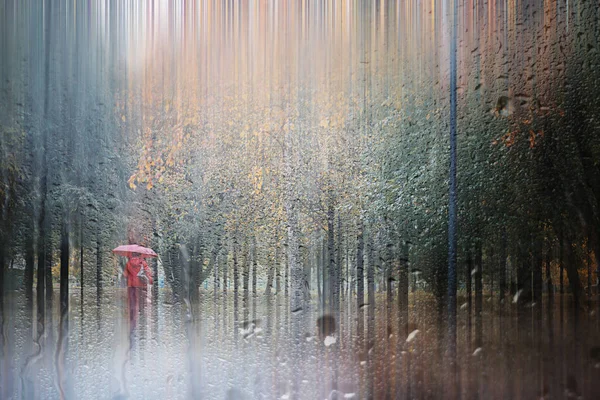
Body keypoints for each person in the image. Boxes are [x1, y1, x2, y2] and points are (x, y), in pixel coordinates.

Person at [124, 252, 153, 330]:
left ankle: (133, 319)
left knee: (132, 303)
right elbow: (148, 273)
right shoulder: (143, 263)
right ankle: (141, 317)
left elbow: (125, 275)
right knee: (141, 303)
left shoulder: (128, 263)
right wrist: (150, 280)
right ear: (139, 255)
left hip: (131, 286)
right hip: (141, 286)